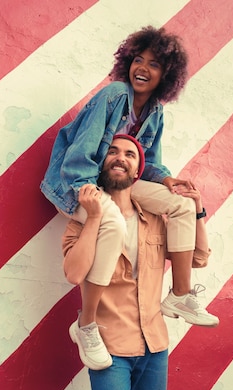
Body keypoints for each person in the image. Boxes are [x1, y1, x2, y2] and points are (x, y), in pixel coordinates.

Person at [41, 26, 218, 370]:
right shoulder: (114, 95)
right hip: (80, 179)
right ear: (128, 63)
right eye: (139, 60)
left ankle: (180, 295)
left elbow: (147, 162)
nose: (144, 68)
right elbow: (81, 153)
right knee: (111, 220)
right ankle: (86, 325)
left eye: (154, 64)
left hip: (122, 180)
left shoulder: (155, 112)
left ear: (166, 76)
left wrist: (168, 179)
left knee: (181, 204)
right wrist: (86, 194)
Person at [62, 135, 213, 390]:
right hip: (108, 345)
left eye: (130, 154)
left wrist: (197, 211)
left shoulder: (154, 219)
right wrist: (95, 218)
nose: (121, 157)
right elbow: (74, 273)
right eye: (112, 151)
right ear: (101, 164)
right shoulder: (82, 220)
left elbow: (198, 258)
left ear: (137, 171)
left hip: (154, 344)